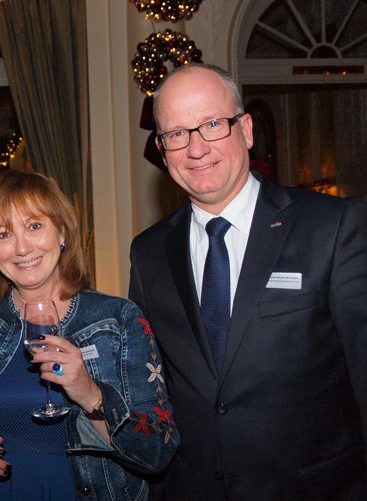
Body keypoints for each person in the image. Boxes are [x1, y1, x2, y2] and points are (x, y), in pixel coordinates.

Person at [129, 63, 367, 500]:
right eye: (177, 134)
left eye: (212, 124)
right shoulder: (148, 254)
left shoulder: (332, 228)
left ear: (246, 130)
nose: (196, 148)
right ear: (162, 151)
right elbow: (150, 391)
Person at [0, 170, 178, 501]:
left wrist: (91, 395)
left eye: (34, 226)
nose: (21, 248)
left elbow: (158, 450)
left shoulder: (117, 319)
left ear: (62, 232)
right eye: (3, 234)